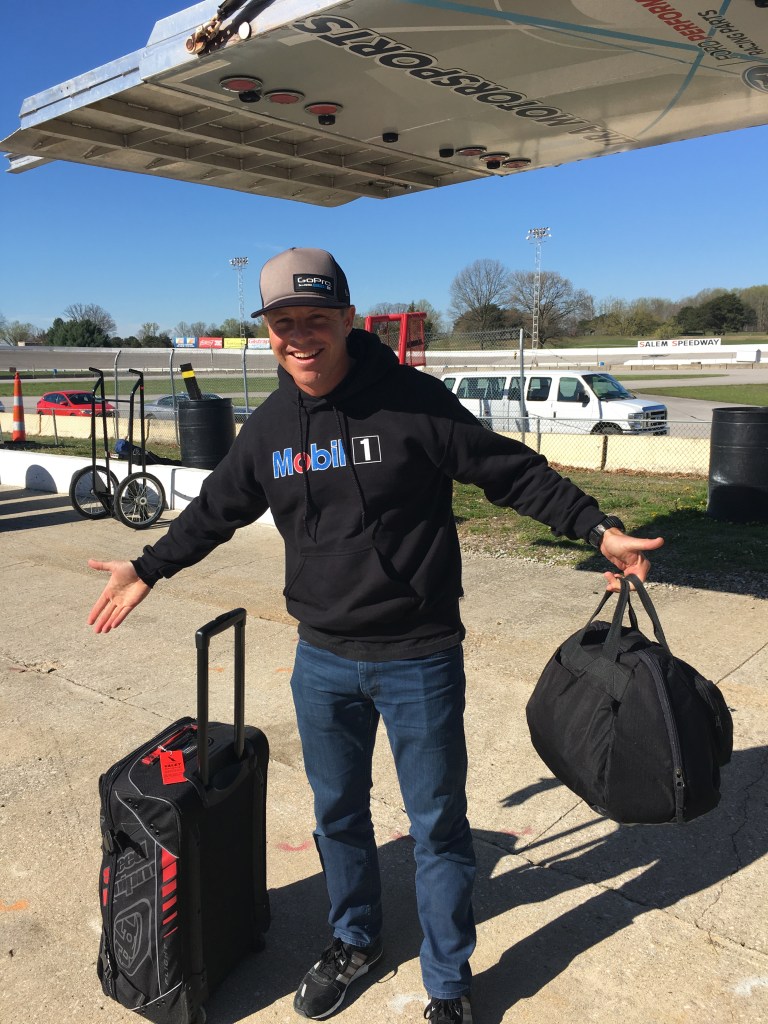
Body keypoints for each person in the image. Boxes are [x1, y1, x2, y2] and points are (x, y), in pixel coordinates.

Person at [87, 247, 663, 1024]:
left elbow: (509, 471)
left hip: (419, 657)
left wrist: (597, 528)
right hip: (321, 660)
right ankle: (354, 940)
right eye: (283, 323)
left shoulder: (412, 402)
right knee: (338, 817)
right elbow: (216, 509)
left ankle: (448, 983)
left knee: (438, 829)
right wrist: (147, 567)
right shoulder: (270, 427)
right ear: (268, 332)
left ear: (347, 319)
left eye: (315, 319)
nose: (300, 337)